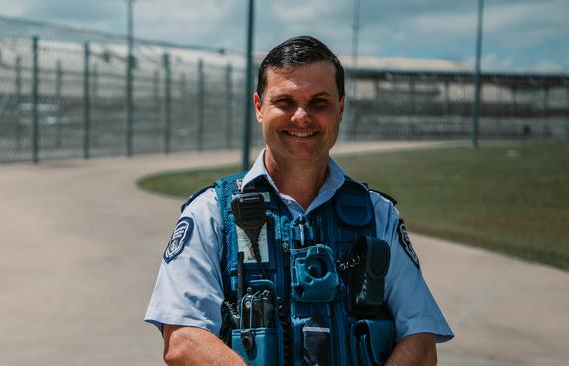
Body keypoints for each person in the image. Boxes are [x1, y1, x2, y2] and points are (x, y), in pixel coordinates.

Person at [145, 35, 453, 365]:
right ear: (259, 107)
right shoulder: (212, 213)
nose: (301, 116)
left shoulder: (379, 215)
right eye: (285, 102)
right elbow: (183, 339)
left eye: (319, 102)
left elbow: (420, 338)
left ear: (341, 108)